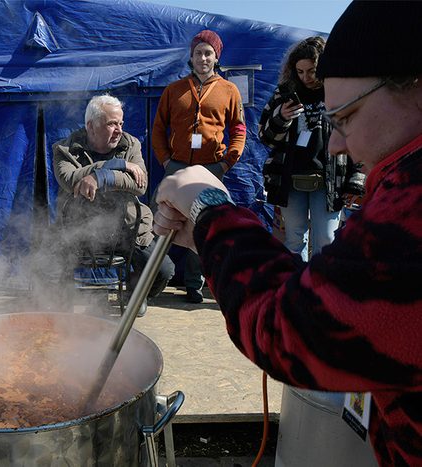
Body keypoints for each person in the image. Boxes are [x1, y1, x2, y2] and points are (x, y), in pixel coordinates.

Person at [153, 1, 422, 464]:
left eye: (348, 118)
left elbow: (289, 327)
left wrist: (211, 207)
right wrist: (205, 233)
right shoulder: (178, 92)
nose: (338, 143)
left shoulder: (411, 206)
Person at [53, 95, 174, 316]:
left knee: (164, 270)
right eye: (111, 123)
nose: (118, 129)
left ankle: (135, 293)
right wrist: (116, 165)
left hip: (126, 229)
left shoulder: (131, 144)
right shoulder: (65, 149)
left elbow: (140, 185)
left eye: (120, 123)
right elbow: (70, 180)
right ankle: (65, 308)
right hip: (80, 231)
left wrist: (102, 178)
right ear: (91, 126)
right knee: (45, 267)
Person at [152, 29, 246, 303]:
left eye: (208, 53)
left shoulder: (230, 90)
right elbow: (158, 129)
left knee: (203, 226)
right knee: (164, 222)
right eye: (198, 53)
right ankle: (152, 280)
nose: (203, 58)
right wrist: (166, 161)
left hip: (209, 170)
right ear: (191, 57)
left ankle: (195, 284)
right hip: (177, 168)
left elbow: (239, 129)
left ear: (216, 57)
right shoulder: (174, 90)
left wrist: (227, 163)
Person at [260, 37, 365, 261]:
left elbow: (358, 135)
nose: (305, 77)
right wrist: (281, 118)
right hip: (291, 179)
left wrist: (356, 179)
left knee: (327, 240)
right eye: (299, 71)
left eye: (311, 71)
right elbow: (265, 137)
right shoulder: (284, 93)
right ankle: (297, 291)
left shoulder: (339, 92)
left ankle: (321, 290)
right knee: (294, 240)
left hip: (330, 180)